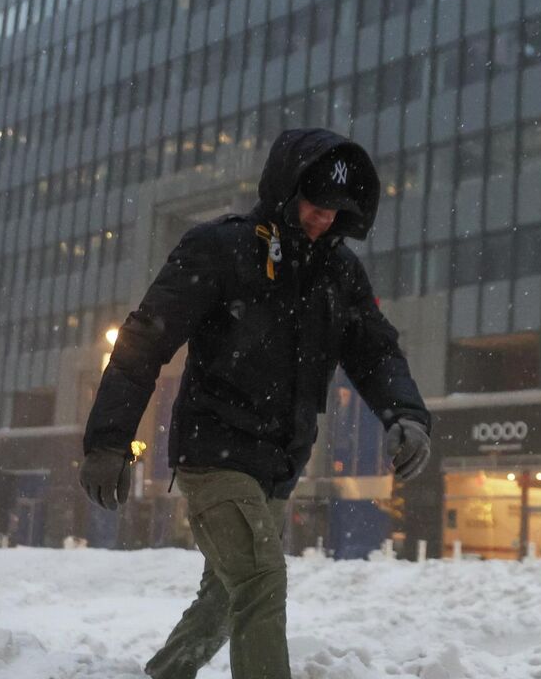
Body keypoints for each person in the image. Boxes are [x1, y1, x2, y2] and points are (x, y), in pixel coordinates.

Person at [80, 128, 433, 679]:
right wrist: (108, 440)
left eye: (336, 212)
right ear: (286, 191)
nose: (323, 220)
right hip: (214, 452)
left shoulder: (339, 273)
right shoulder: (220, 249)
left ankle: (164, 674)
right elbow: (143, 342)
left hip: (279, 464)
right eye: (315, 206)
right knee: (261, 581)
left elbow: (376, 352)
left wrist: (406, 414)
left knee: (226, 594)